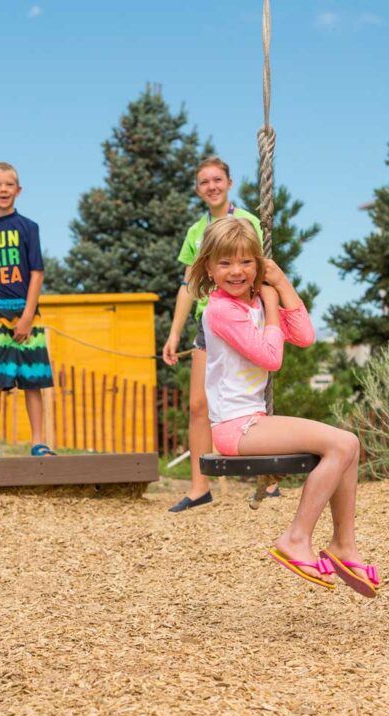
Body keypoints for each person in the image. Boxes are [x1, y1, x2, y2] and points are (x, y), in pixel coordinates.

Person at [191, 217, 380, 597]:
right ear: (209, 267)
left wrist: (281, 284)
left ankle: (344, 544)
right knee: (342, 444)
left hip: (253, 420)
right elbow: (271, 357)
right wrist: (272, 307)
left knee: (348, 446)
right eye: (225, 263)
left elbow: (306, 337)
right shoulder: (221, 311)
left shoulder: (256, 301)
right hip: (235, 427)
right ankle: (296, 538)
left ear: (258, 266)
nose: (236, 271)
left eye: (246, 262)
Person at [162, 156, 278, 512]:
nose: (211, 186)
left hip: (243, 315)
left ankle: (269, 478)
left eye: (217, 180)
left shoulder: (248, 222)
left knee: (252, 393)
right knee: (199, 404)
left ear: (229, 182)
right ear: (198, 190)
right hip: (208, 322)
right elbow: (188, 285)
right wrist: (173, 332)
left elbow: (259, 269)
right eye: (204, 182)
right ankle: (200, 486)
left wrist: (270, 308)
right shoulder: (196, 233)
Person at [0, 162, 54, 458]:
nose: (3, 190)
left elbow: (37, 273)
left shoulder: (29, 228)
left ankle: (38, 442)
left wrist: (28, 316)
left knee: (33, 379)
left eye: (9, 185)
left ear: (18, 190)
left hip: (25, 313)